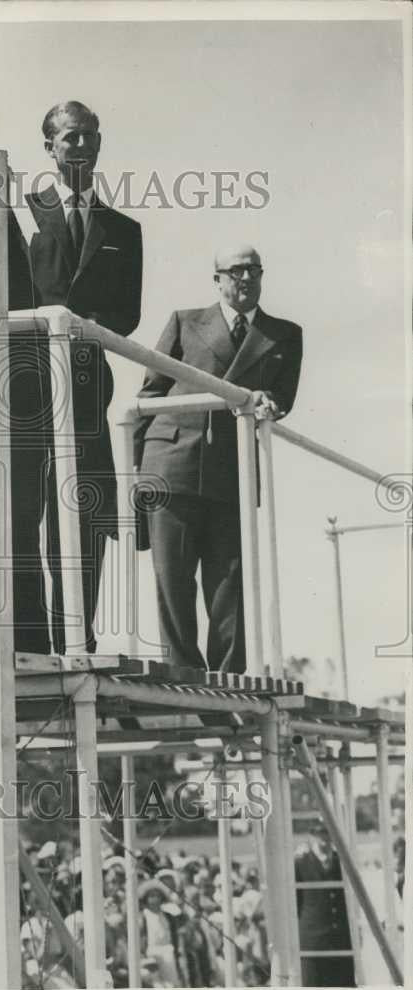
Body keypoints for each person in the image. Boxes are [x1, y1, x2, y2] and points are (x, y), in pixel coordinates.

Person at [0, 100, 142, 656]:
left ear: (99, 143)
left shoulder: (122, 230)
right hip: (25, 384)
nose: (79, 146)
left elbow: (126, 316)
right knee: (23, 511)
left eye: (88, 136)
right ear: (49, 147)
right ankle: (30, 644)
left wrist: (82, 325)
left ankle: (76, 637)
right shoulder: (21, 207)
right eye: (68, 138)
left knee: (82, 511)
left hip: (83, 389)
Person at [135, 244, 302, 673]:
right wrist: (133, 475)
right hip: (172, 461)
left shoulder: (285, 334)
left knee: (231, 583)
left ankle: (228, 683)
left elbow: (284, 397)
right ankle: (184, 677)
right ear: (217, 279)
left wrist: (271, 403)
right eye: (236, 270)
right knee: (173, 579)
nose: (246, 278)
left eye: (254, 270)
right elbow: (149, 394)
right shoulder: (185, 322)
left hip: (234, 469)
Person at [295, 818, 354, 986]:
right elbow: (295, 902)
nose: (324, 837)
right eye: (318, 832)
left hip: (341, 940)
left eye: (327, 832)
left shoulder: (342, 861)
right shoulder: (299, 863)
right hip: (313, 943)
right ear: (311, 835)